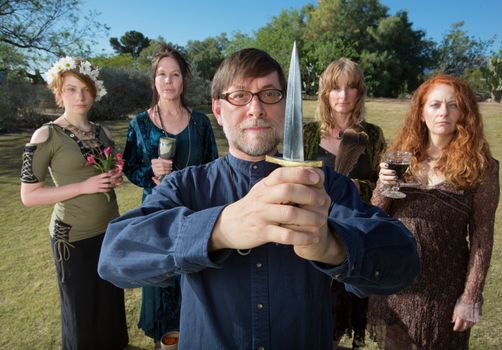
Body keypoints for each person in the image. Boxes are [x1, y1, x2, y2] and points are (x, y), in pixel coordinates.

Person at [98, 48, 420, 349]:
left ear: (285, 105)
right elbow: (116, 256)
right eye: (239, 96)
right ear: (217, 110)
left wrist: (333, 247)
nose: (256, 108)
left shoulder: (326, 187)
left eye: (270, 94)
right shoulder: (186, 187)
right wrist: (219, 229)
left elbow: (403, 261)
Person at [367, 74, 500, 350]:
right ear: (421, 112)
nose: (444, 112)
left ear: (464, 112)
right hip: (395, 284)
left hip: (445, 290)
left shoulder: (481, 167)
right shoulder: (398, 158)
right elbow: (374, 218)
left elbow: (482, 236)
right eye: (435, 104)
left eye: (453, 105)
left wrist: (471, 296)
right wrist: (383, 184)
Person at [20, 57, 128, 349]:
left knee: (109, 302)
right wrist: (83, 186)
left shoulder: (102, 132)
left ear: (95, 93)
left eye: (85, 89)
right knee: (81, 309)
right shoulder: (46, 134)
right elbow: (29, 196)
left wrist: (115, 179)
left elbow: (111, 172)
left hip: (109, 231)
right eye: (71, 89)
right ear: (59, 93)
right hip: (73, 237)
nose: (80, 96)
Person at [122, 44, 218, 348]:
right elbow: (129, 167)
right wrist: (149, 173)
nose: (168, 81)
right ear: (154, 80)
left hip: (194, 215)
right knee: (161, 283)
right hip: (157, 217)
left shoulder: (200, 123)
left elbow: (213, 168)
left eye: (175, 74)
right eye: (161, 74)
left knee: (194, 283)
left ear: (184, 79)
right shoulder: (139, 124)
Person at [304, 58, 385, 349]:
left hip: (356, 238)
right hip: (314, 237)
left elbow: (382, 188)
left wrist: (356, 188)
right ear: (325, 92)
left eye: (351, 87)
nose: (343, 95)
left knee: (347, 315)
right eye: (335, 88)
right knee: (319, 321)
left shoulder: (372, 135)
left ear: (360, 92)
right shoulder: (308, 134)